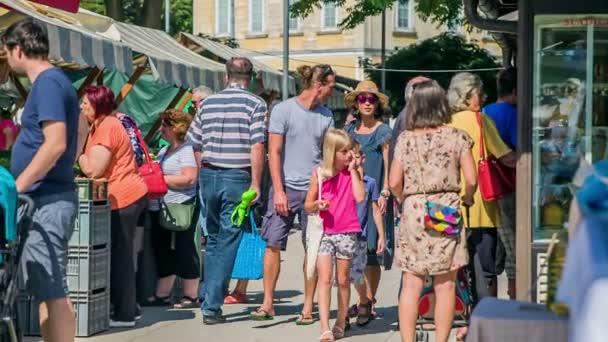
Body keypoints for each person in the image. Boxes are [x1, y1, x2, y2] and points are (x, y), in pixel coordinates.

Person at [3, 19, 79, 342]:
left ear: (19, 49)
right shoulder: (58, 81)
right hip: (51, 196)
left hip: (46, 199)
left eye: (7, 52)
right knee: (47, 287)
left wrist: (17, 187)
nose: (7, 60)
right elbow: (82, 126)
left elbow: (56, 142)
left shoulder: (47, 83)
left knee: (52, 288)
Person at [388, 79, 477, 342]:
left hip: (415, 208)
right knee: (445, 283)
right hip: (446, 208)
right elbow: (471, 179)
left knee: (411, 283)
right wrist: (467, 198)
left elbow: (394, 181)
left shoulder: (405, 139)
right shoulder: (458, 137)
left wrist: (406, 199)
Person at [250, 64, 335, 323]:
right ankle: (267, 303)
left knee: (313, 248)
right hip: (284, 187)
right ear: (318, 85)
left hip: (315, 189)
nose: (333, 90)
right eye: (331, 85)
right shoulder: (283, 110)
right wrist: (278, 191)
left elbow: (329, 155)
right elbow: (273, 152)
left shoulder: (326, 115)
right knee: (273, 244)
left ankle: (308, 307)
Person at [186, 57, 266, 325]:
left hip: (209, 175)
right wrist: (256, 183)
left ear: (225, 77)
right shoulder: (256, 104)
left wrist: (202, 174)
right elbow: (257, 146)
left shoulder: (207, 103)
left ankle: (209, 297)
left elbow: (194, 143)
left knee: (214, 240)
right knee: (229, 240)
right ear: (251, 78)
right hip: (236, 177)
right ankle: (211, 305)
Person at [446, 72, 517, 340]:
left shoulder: (445, 122)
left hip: (450, 207)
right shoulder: (480, 120)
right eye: (479, 93)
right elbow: (506, 157)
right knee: (485, 267)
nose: (483, 97)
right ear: (468, 95)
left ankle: (467, 318)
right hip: (480, 205)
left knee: (459, 269)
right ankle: (486, 321)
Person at [79, 85, 148, 328]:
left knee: (120, 256)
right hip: (125, 194)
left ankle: (124, 314)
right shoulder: (101, 125)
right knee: (122, 253)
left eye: (86, 104)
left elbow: (94, 169)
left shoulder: (107, 127)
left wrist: (78, 154)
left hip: (124, 196)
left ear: (97, 105)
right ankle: (131, 308)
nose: (82, 107)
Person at [303, 129, 365, 342]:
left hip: (347, 231)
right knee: (326, 279)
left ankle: (341, 319)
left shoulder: (352, 173)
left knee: (344, 279)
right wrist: (317, 204)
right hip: (324, 233)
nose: (349, 155)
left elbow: (359, 197)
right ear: (332, 152)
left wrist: (355, 170)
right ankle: (324, 326)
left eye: (350, 150)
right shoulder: (319, 174)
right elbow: (307, 205)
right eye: (344, 151)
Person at [142, 109, 200, 309]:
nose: (161, 129)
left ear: (176, 128)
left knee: (184, 247)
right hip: (160, 206)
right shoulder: (164, 151)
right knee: (163, 249)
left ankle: (191, 295)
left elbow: (190, 178)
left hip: (181, 204)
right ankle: (162, 293)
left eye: (164, 126)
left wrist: (160, 180)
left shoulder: (186, 151)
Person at [343, 80, 392, 316]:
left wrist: (385, 192)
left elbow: (389, 164)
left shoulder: (383, 131)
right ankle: (362, 298)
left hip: (375, 196)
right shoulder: (350, 131)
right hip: (352, 197)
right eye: (362, 99)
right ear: (356, 103)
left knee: (372, 250)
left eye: (371, 99)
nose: (367, 103)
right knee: (354, 249)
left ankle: (370, 300)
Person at [482, 67, 517, 299]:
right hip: (509, 189)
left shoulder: (483, 112)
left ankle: (490, 306)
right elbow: (517, 156)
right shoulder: (514, 114)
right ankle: (516, 303)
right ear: (516, 90)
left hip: (486, 191)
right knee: (515, 253)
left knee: (490, 255)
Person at [346, 141, 385, 327]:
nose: (355, 160)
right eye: (351, 157)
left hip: (360, 235)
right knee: (341, 276)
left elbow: (375, 210)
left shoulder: (370, 182)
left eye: (358, 157)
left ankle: (363, 301)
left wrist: (382, 235)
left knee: (357, 275)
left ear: (363, 158)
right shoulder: (343, 179)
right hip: (341, 233)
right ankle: (342, 314)